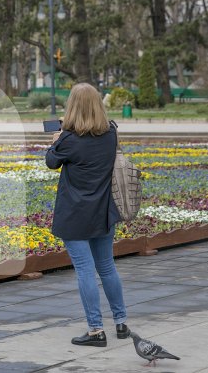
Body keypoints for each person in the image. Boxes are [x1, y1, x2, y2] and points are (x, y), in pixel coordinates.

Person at [45, 83, 129, 348]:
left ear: (72, 107)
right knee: (106, 267)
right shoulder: (111, 133)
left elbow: (51, 162)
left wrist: (55, 141)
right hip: (103, 212)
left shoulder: (68, 140)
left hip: (75, 215)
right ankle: (121, 322)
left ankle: (95, 330)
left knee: (85, 271)